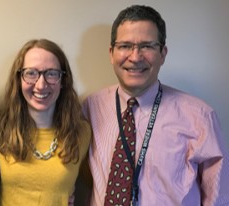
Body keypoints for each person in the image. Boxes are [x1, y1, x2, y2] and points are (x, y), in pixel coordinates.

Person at [82, 5, 229, 206]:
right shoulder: (90, 107)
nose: (135, 57)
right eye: (125, 46)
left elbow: (219, 198)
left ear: (163, 53)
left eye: (147, 46)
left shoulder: (200, 116)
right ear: (111, 53)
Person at [0, 38, 91, 205]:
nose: (41, 85)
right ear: (19, 78)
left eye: (51, 73)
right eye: (31, 73)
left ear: (63, 80)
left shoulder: (82, 132)